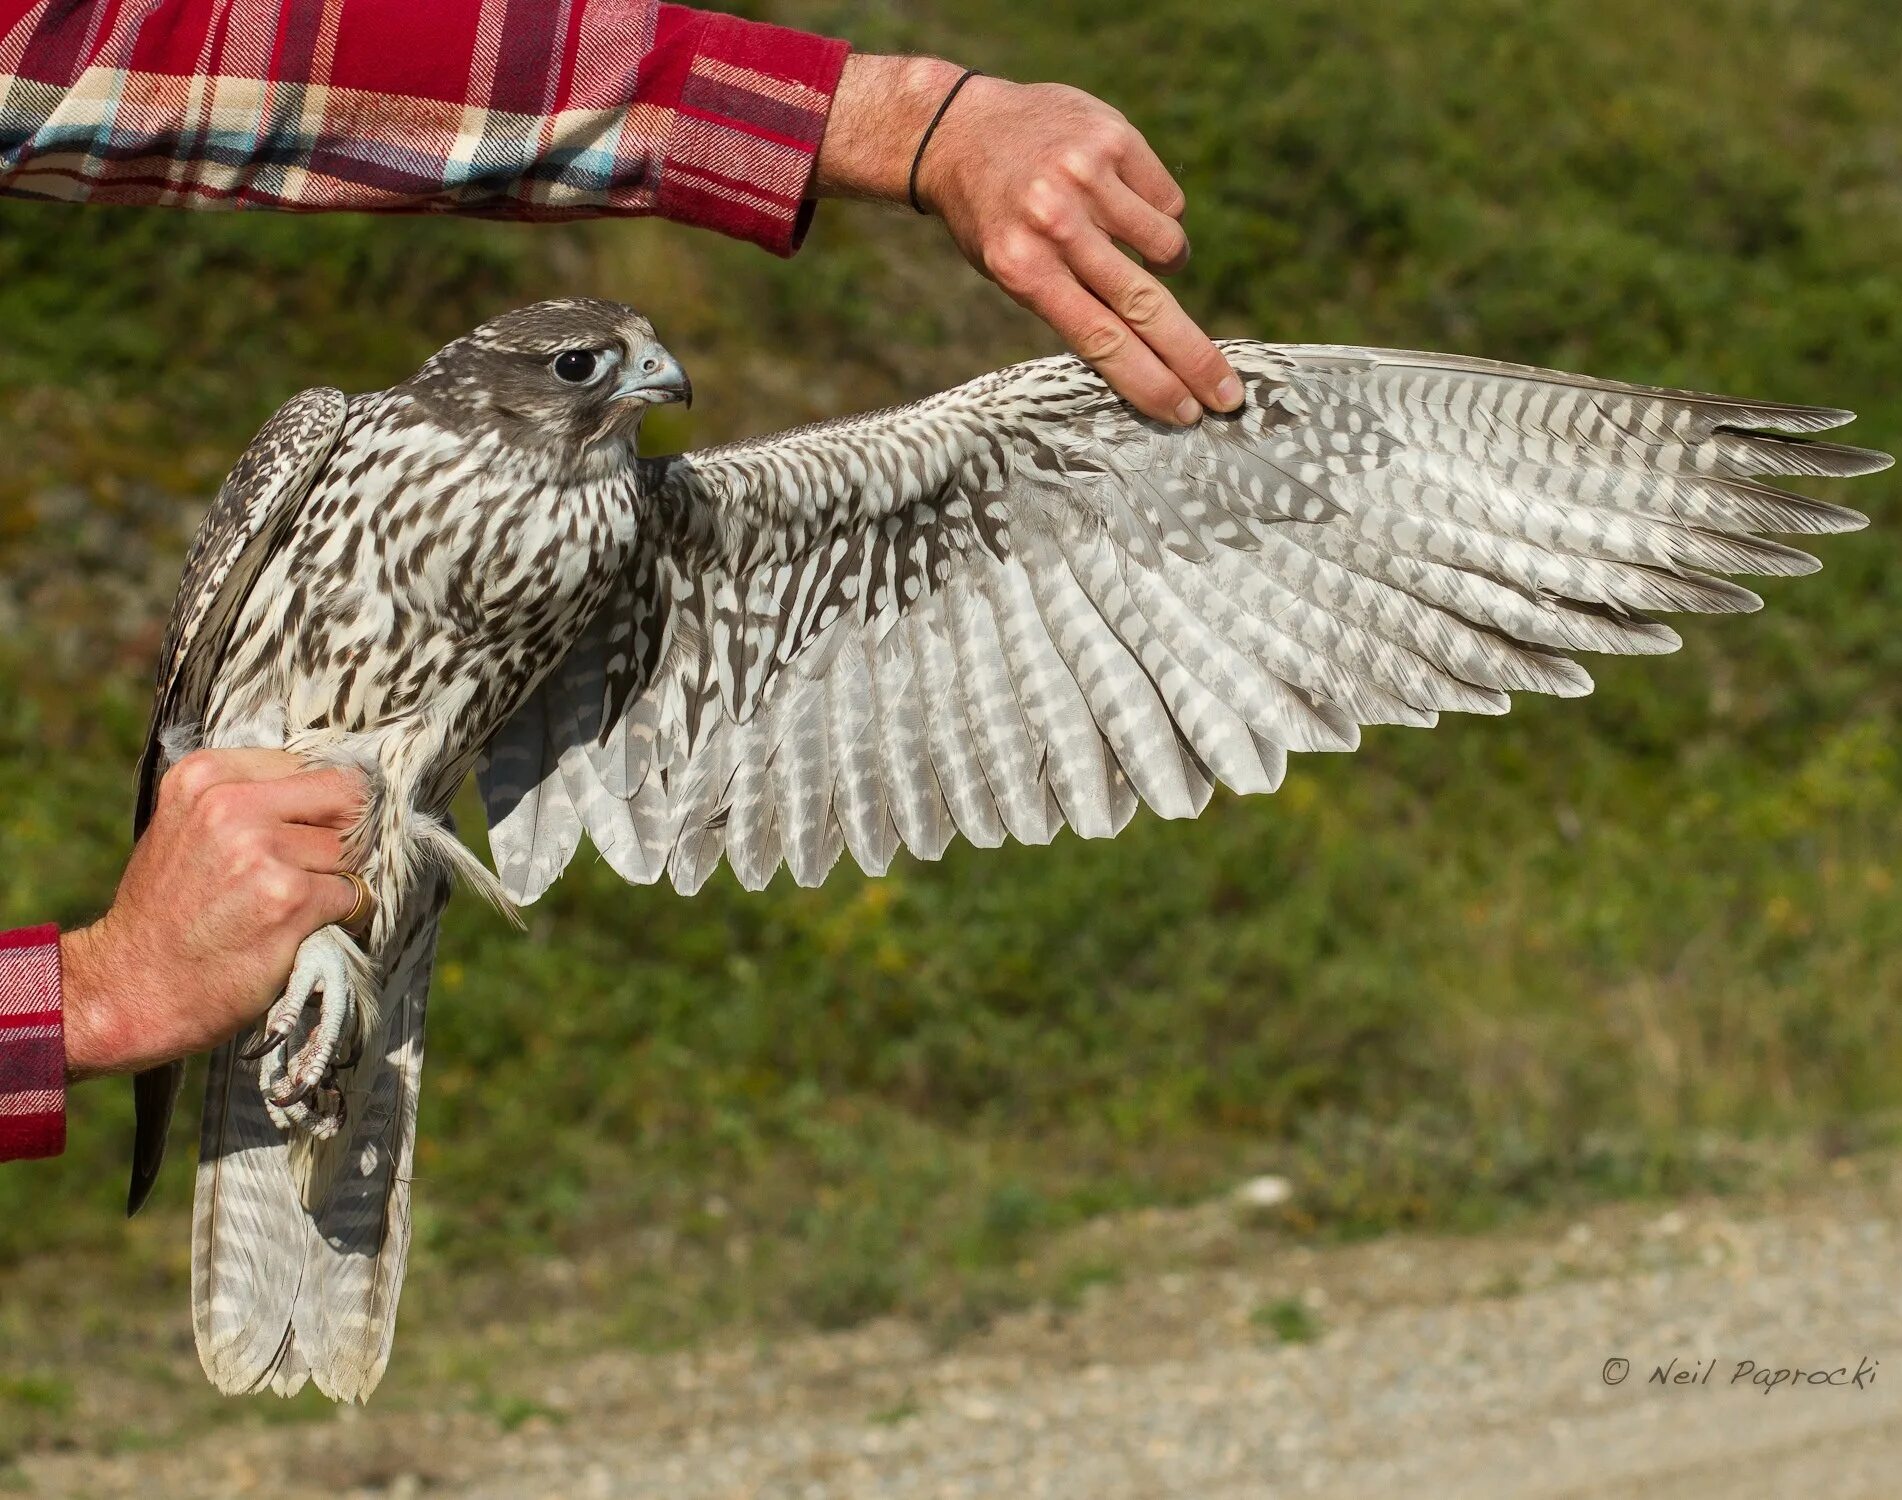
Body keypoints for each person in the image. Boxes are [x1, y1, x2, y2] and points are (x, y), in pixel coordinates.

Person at [0, 1, 1241, 1162]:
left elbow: (199, 56)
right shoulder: (331, 443)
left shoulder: (603, 524)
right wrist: (93, 997)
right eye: (603, 368)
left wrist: (906, 118)